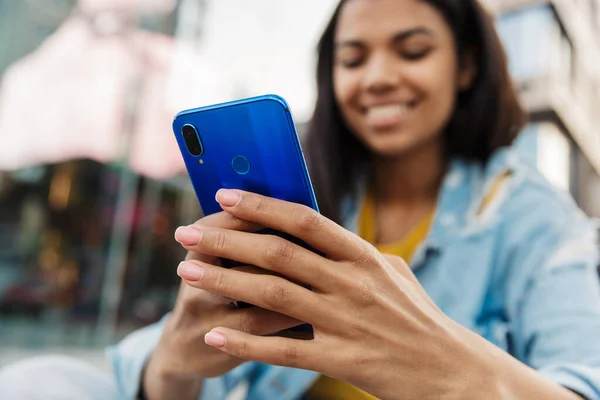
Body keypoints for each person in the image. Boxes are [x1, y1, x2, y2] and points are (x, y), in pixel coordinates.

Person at [1, 0, 600, 399]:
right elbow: (152, 372)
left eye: (412, 51)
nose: (376, 77)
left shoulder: (536, 220)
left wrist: (449, 366)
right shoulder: (310, 194)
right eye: (353, 58)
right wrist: (173, 365)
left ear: (466, 67)